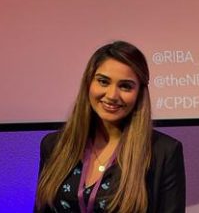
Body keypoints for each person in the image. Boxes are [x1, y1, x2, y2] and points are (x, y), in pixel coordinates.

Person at [34, 41, 185, 213]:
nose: (112, 95)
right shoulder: (54, 145)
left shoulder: (163, 152)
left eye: (125, 86)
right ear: (88, 83)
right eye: (103, 82)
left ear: (139, 93)